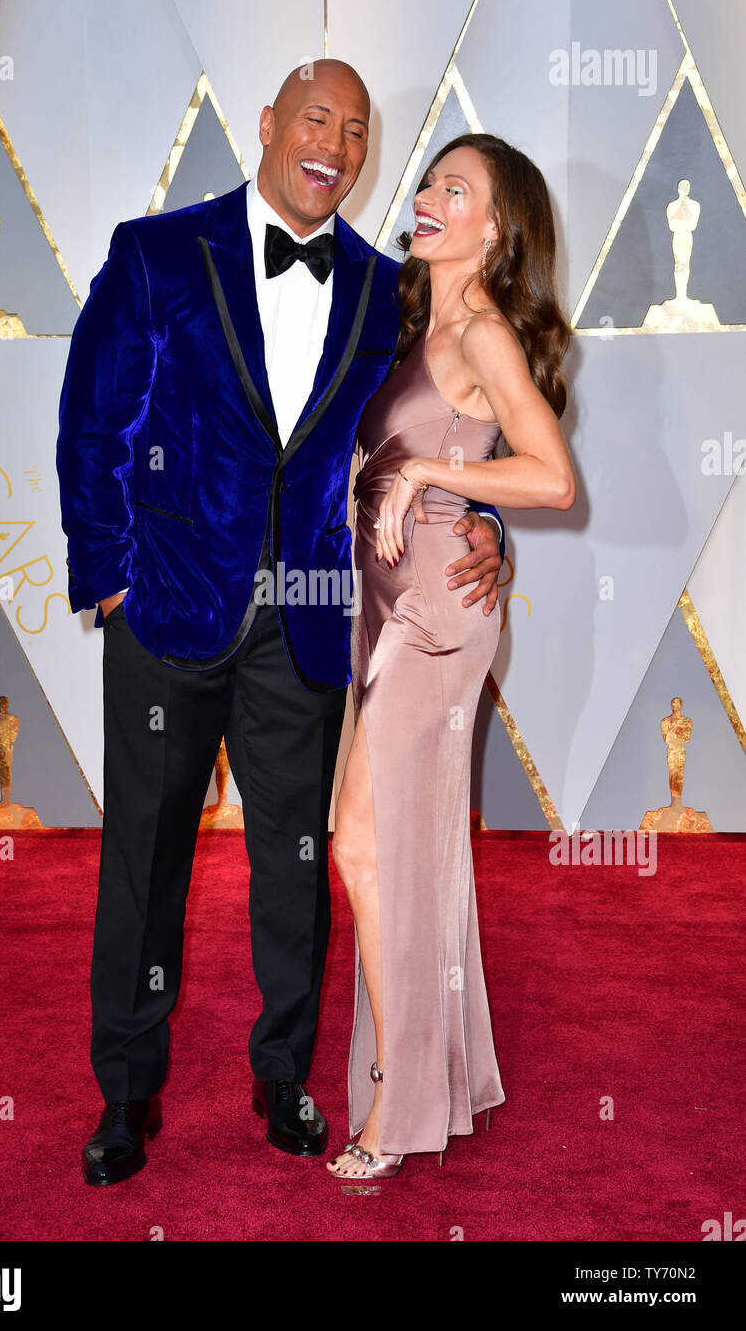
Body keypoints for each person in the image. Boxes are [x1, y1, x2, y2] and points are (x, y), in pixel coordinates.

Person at [56, 62, 506, 1188]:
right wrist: (109, 574)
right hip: (166, 604)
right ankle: (124, 1094)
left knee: (294, 864)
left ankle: (284, 1075)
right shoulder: (159, 251)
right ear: (267, 125)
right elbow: (92, 419)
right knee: (146, 859)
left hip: (309, 619)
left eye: (357, 133)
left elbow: (423, 426)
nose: (336, 145)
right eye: (317, 119)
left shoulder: (381, 286)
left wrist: (481, 512)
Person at [327, 134, 576, 1179]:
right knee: (393, 848)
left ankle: (400, 1092)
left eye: (455, 190)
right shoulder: (414, 319)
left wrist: (440, 472)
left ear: (495, 229)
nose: (427, 196)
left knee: (361, 844)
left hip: (435, 612)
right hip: (385, 603)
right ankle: (427, 1071)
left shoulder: (481, 333)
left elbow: (553, 477)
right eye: (430, 180)